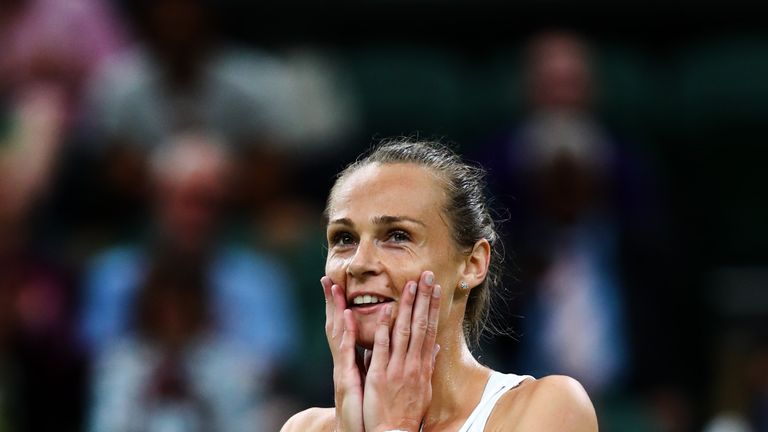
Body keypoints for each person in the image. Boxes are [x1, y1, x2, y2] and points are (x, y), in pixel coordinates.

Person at [282, 138, 597, 431]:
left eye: (397, 236)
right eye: (344, 238)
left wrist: (394, 427)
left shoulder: (547, 408)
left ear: (472, 265)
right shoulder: (303, 428)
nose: (359, 263)